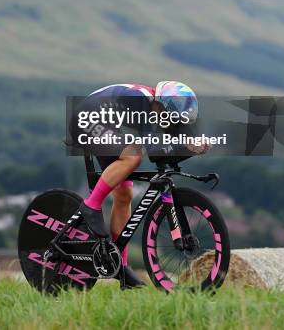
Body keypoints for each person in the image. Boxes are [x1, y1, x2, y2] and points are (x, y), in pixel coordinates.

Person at [73, 81, 210, 289]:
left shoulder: (159, 107)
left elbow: (173, 142)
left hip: (108, 123)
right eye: (168, 117)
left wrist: (194, 145)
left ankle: (121, 267)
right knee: (133, 157)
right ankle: (91, 205)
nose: (168, 123)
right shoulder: (142, 101)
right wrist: (186, 146)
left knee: (124, 194)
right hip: (87, 117)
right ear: (159, 104)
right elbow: (155, 150)